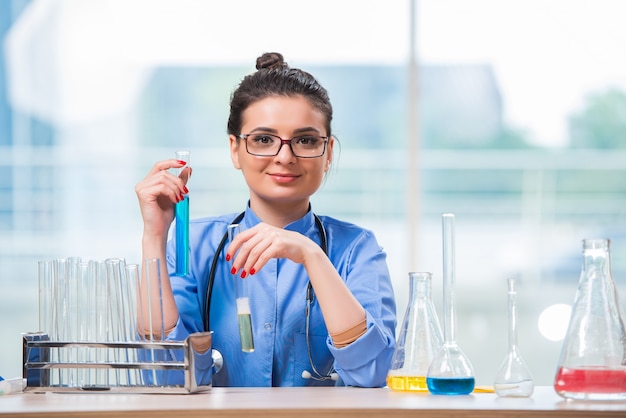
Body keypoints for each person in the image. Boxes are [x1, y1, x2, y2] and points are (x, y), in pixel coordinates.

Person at [135, 52, 396, 387]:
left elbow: (371, 373)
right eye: (263, 140)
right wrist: (153, 236)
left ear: (328, 152)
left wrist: (311, 255)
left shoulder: (357, 249)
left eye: (305, 140)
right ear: (235, 149)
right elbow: (163, 374)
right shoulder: (194, 245)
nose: (284, 157)